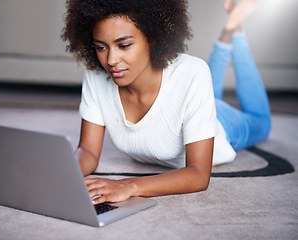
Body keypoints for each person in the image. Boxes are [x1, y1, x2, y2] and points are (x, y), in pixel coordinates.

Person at [61, 0, 271, 205]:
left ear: (152, 37)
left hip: (224, 126)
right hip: (190, 103)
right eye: (100, 47)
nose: (111, 60)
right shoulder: (96, 75)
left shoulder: (191, 73)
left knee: (261, 121)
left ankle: (235, 29)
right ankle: (229, 31)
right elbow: (87, 152)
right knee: (207, 89)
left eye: (124, 45)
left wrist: (130, 186)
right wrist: (63, 175)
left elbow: (198, 175)